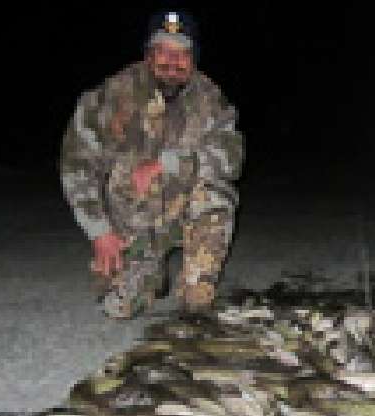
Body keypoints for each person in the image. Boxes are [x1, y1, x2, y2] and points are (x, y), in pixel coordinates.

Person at [60, 10, 244, 317]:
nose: (172, 60)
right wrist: (99, 232)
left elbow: (231, 157)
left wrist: (166, 164)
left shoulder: (211, 100)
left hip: (188, 215)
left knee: (215, 193)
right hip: (133, 223)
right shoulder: (110, 96)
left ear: (193, 58)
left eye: (182, 52)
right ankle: (150, 273)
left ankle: (196, 282)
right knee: (118, 308)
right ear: (148, 54)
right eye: (163, 49)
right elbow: (76, 164)